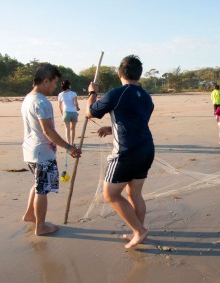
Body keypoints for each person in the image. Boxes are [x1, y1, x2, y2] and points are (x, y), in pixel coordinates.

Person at [86, 55, 154, 249]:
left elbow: (90, 112)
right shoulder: (146, 96)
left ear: (119, 73)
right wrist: (111, 128)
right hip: (146, 148)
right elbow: (134, 121)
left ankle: (139, 231)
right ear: (139, 74)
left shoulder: (118, 93)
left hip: (126, 152)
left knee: (110, 195)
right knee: (135, 194)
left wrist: (92, 92)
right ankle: (137, 231)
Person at [21, 63, 82, 236]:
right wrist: (69, 147)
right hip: (41, 152)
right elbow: (48, 131)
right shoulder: (41, 102)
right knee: (43, 189)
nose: (55, 87)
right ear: (45, 81)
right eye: (54, 82)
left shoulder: (28, 98)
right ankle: (41, 227)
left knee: (37, 183)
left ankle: (29, 214)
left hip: (30, 150)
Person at [58, 80, 80, 145]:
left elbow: (59, 106)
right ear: (69, 85)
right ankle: (72, 143)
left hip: (66, 112)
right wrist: (77, 107)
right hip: (73, 112)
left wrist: (62, 113)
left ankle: (68, 143)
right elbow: (76, 103)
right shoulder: (73, 93)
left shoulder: (60, 94)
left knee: (67, 129)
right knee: (73, 129)